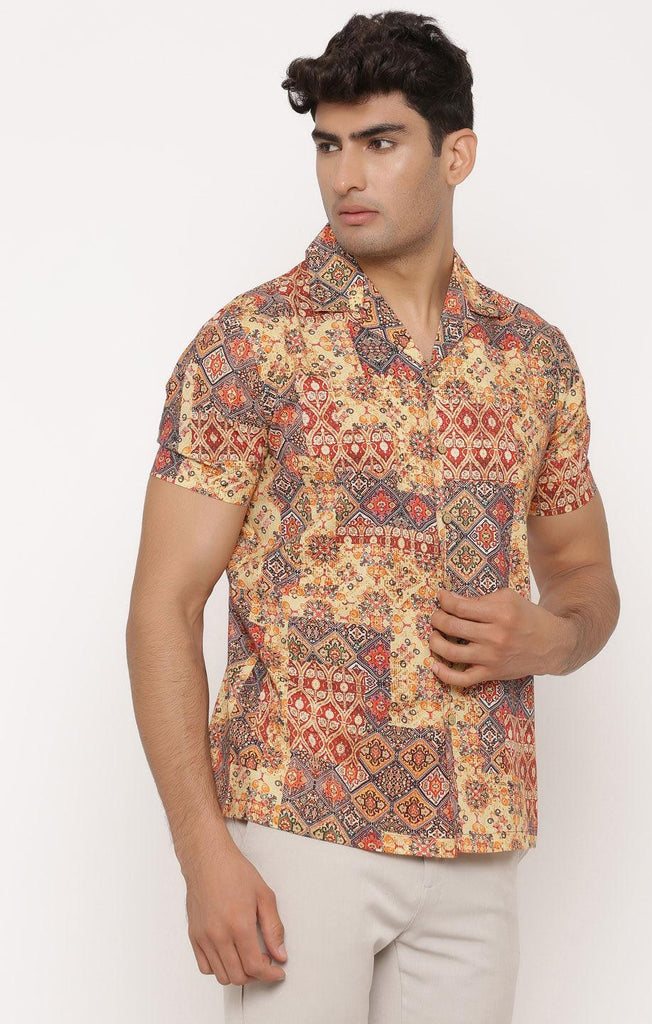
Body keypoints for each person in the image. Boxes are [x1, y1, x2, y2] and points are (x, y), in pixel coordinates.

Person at [126, 10, 620, 1023]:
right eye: (328, 145)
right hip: (299, 831)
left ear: (456, 154)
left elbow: (584, 575)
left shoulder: (533, 358)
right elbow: (161, 608)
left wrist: (556, 637)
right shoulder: (249, 346)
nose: (345, 176)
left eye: (380, 142)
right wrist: (204, 853)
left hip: (478, 837)